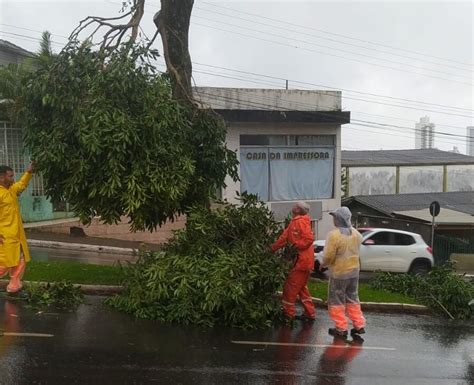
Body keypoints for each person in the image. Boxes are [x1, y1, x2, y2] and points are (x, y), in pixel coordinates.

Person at [321, 206, 366, 338]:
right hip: (354, 271)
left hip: (339, 273)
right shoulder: (357, 234)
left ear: (339, 219)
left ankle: (341, 327)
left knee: (336, 300)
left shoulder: (334, 235)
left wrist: (323, 264)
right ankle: (359, 325)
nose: (333, 219)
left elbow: (329, 256)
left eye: (334, 217)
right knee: (353, 298)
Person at [271, 201, 316, 321]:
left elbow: (309, 238)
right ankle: (310, 313)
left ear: (298, 209)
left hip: (300, 262)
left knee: (290, 288)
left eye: (295, 206)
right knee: (301, 288)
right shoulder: (295, 222)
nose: (293, 207)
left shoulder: (300, 222)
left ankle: (288, 315)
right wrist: (272, 248)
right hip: (304, 262)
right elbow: (284, 238)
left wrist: (294, 247)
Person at [0, 163, 35, 293]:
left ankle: (14, 285)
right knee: (4, 264)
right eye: (10, 176)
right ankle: (14, 285)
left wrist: (29, 172)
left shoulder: (11, 190)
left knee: (20, 259)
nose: (13, 178)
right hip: (4, 236)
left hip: (16, 234)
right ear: (2, 177)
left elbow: (21, 185)